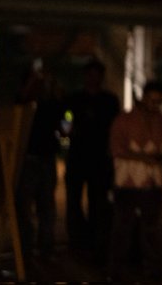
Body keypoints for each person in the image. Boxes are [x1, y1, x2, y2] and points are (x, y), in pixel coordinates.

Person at [107, 80, 162, 280]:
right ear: (143, 97)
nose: (155, 105)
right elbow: (117, 149)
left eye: (158, 101)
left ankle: (153, 270)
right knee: (122, 227)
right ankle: (117, 271)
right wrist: (145, 158)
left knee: (152, 229)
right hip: (127, 184)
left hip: (153, 184)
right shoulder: (124, 120)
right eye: (152, 100)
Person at [63, 58, 119, 260]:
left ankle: (96, 242)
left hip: (100, 160)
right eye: (90, 75)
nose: (93, 79)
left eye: (97, 75)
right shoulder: (74, 100)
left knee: (99, 202)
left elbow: (115, 130)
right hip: (77, 157)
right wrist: (65, 134)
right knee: (74, 202)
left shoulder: (110, 101)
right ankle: (77, 241)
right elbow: (65, 122)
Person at [15, 61, 64, 263]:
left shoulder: (52, 104)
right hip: (27, 160)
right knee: (23, 208)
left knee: (47, 208)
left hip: (47, 159)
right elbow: (20, 100)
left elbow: (65, 124)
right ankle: (25, 251)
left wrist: (66, 128)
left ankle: (46, 250)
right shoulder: (22, 105)